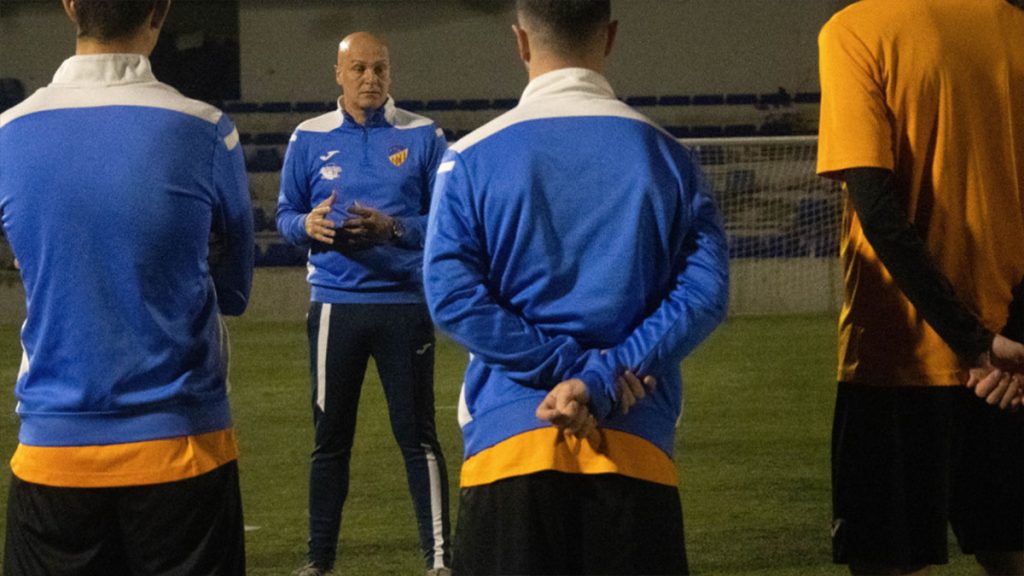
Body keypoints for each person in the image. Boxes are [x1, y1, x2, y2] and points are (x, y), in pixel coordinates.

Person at [423, 1, 729, 574]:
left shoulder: (467, 159)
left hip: (510, 444)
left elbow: (451, 294)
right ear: (609, 36)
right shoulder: (670, 158)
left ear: (520, 41)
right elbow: (705, 293)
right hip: (634, 447)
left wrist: (563, 374)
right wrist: (598, 381)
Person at [0, 0, 253, 573]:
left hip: (53, 453)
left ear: (70, 6)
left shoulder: (8, 133)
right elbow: (235, 292)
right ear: (160, 10)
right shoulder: (206, 130)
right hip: (181, 450)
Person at [817, 0, 1024, 574]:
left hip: (900, 353)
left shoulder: (855, 30)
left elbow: (879, 210)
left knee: (884, 555)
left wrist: (970, 340)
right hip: (1008, 359)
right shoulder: (1013, 26)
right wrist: (1005, 339)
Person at [276, 31, 451, 576]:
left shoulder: (424, 136)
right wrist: (307, 225)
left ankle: (441, 559)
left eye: (379, 69)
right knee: (330, 441)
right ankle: (319, 561)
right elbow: (284, 216)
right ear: (338, 74)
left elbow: (448, 221)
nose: (370, 79)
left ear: (390, 73)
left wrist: (394, 228)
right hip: (334, 307)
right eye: (359, 69)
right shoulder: (308, 138)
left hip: (404, 306)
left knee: (418, 436)